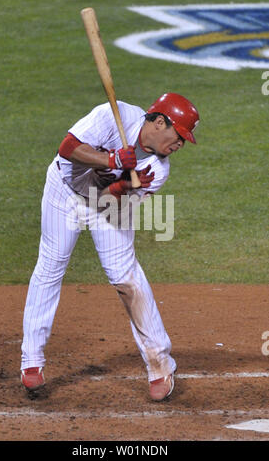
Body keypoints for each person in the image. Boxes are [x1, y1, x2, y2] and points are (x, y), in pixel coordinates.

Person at [20, 92, 200, 401]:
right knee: (51, 264)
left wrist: (123, 186)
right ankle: (31, 361)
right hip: (64, 191)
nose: (180, 144)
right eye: (179, 134)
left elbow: (110, 203)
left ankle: (160, 365)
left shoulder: (159, 169)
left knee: (125, 278)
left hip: (107, 208)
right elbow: (68, 148)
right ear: (159, 122)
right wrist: (112, 159)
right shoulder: (112, 115)